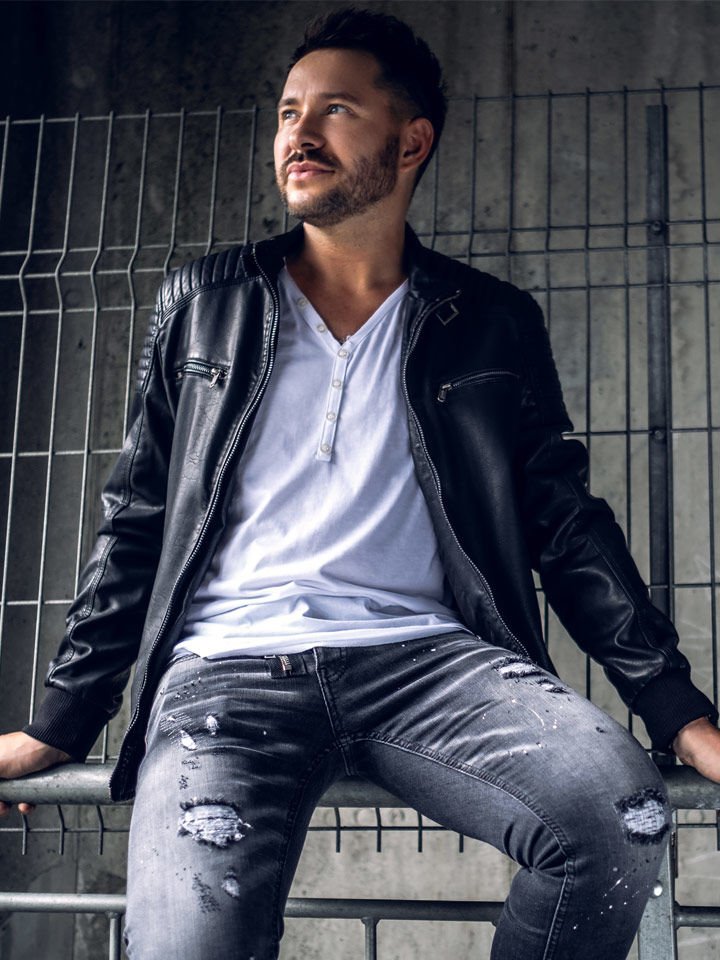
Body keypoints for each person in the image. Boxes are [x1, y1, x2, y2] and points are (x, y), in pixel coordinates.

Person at [1, 8, 720, 959]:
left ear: (410, 141)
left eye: (335, 110)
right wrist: (61, 720)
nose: (298, 134)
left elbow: (565, 523)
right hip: (227, 672)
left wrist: (677, 712)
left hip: (430, 665)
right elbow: (137, 518)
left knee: (619, 815)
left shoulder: (489, 322)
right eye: (288, 111)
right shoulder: (205, 303)